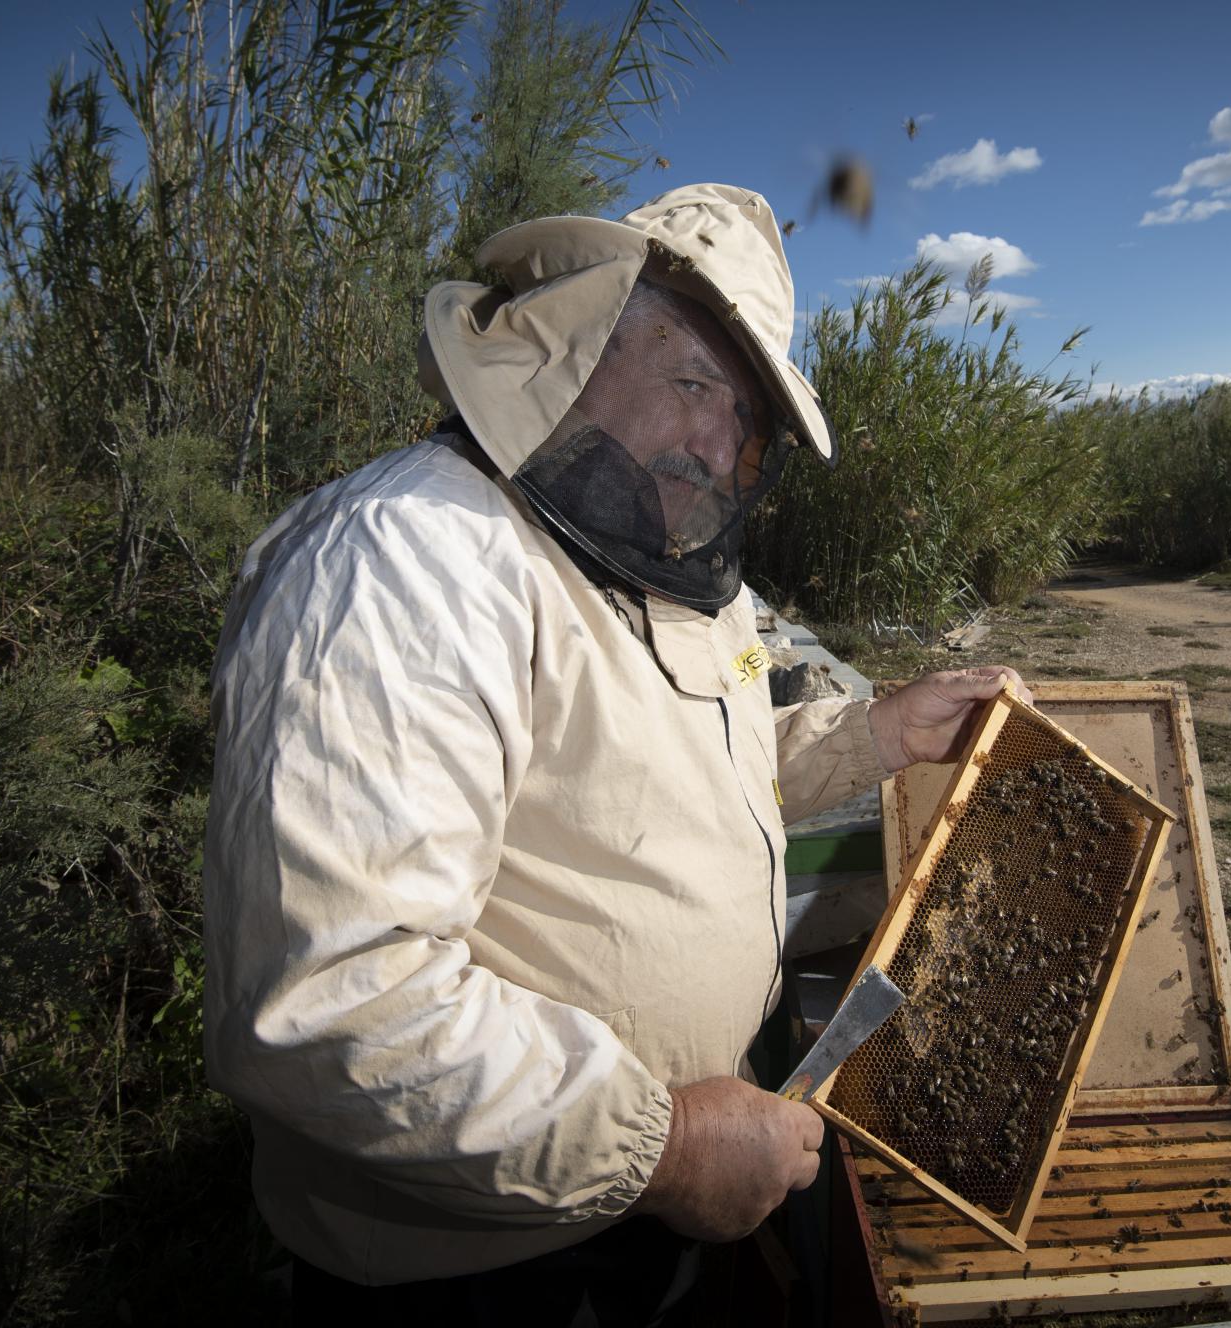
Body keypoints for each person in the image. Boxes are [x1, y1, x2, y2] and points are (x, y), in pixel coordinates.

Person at [201, 183, 1026, 1322]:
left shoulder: (673, 568)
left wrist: (876, 734)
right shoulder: (412, 561)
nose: (716, 440)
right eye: (692, 381)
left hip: (639, 1233)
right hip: (478, 1272)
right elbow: (336, 995)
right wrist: (669, 1144)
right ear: (574, 349)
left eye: (744, 414)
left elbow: (686, 778)